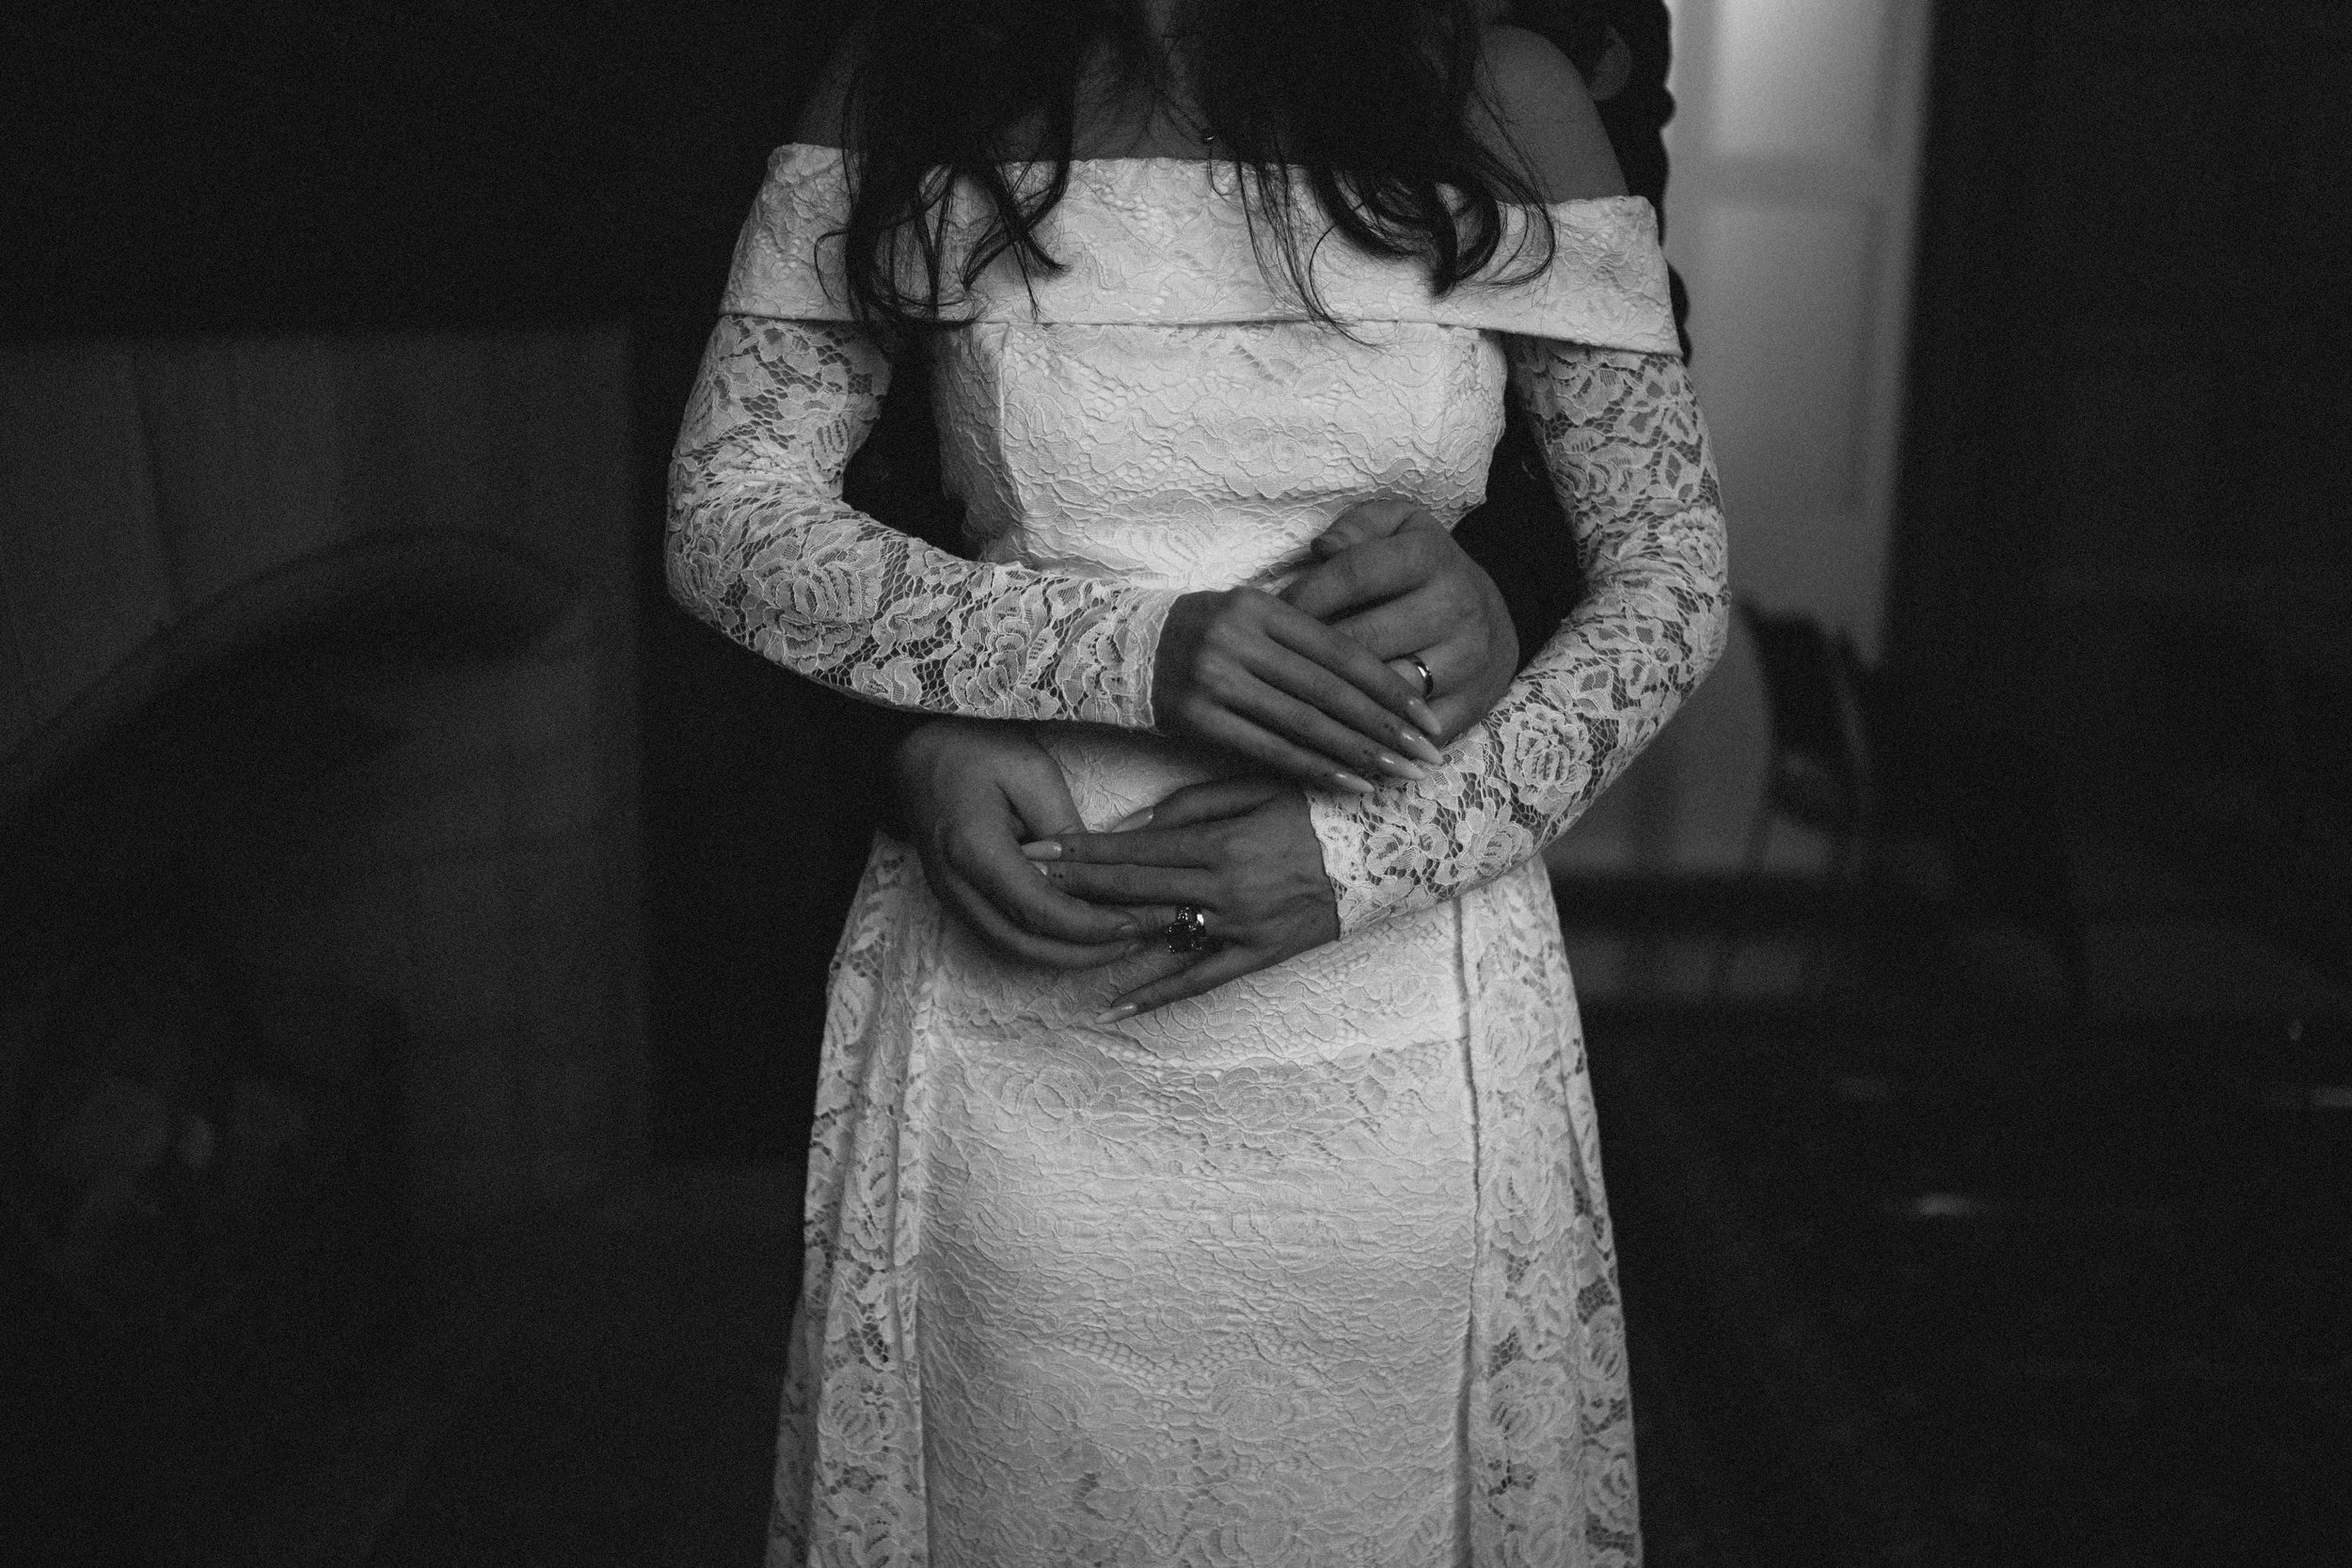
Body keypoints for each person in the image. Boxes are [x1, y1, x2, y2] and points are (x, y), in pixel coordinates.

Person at [666, 1, 1727, 1560]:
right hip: (1024, 994)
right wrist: (1127, 650)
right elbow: (725, 516)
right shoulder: (913, 74)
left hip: (1392, 1023)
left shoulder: (1501, 92)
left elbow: (1670, 577)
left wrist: (1370, 857)